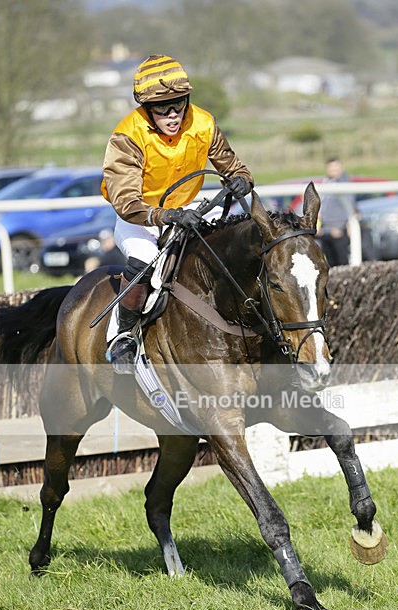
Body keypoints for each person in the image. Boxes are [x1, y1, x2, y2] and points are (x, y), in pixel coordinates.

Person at [101, 54, 253, 372]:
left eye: (179, 103)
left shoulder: (204, 123)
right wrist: (167, 217)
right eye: (162, 108)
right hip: (140, 218)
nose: (172, 114)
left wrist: (241, 181)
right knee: (144, 262)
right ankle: (122, 336)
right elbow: (127, 204)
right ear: (145, 108)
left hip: (187, 209)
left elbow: (236, 168)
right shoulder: (126, 136)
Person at [317, 156, 356, 268]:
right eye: (330, 168)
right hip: (326, 230)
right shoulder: (326, 182)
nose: (333, 170)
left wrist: (344, 226)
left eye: (335, 167)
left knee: (342, 263)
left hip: (339, 231)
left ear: (340, 167)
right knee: (330, 263)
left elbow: (349, 206)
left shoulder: (344, 184)